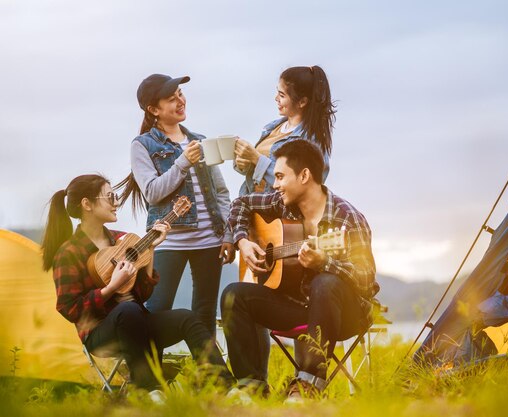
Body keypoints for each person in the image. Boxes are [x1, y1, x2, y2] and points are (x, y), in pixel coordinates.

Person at [42, 174, 232, 391]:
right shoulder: (69, 253)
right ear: (87, 204)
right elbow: (69, 308)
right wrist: (110, 288)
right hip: (101, 334)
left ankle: (223, 386)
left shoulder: (123, 240)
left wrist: (151, 250)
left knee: (186, 318)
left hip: (137, 323)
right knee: (128, 310)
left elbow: (142, 294)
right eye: (110, 197)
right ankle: (149, 389)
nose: (116, 203)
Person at [221, 140, 379, 398]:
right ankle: (250, 389)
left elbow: (366, 280)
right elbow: (240, 204)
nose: (275, 184)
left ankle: (307, 387)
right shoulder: (282, 204)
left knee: (325, 282)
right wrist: (244, 241)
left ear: (304, 175)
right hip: (299, 308)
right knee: (233, 295)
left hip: (345, 314)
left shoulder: (348, 217)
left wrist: (324, 263)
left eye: (281, 176)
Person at [116, 74, 235, 338]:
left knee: (204, 312)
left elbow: (222, 192)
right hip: (168, 241)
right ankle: (152, 373)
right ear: (154, 110)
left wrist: (228, 234)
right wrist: (182, 162)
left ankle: (205, 377)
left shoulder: (200, 140)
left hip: (210, 240)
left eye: (180, 94)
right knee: (158, 309)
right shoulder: (142, 145)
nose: (180, 101)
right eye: (172, 99)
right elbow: (152, 192)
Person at [233, 65, 335, 196]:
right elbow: (258, 175)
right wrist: (245, 164)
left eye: (282, 95)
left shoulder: (311, 140)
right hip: (253, 208)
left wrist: (257, 159)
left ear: (302, 102)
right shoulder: (272, 128)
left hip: (280, 214)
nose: (276, 98)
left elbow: (302, 187)